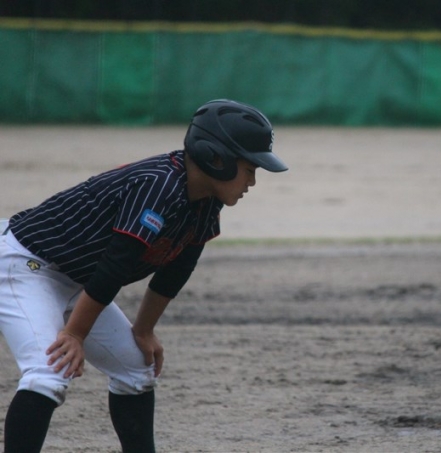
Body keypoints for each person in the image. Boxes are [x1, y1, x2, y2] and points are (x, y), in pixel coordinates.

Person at [0, 99, 288, 453]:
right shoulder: (158, 186)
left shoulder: (205, 200)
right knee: (48, 373)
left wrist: (144, 329)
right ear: (217, 158)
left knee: (137, 369)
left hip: (75, 279)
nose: (252, 181)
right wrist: (74, 334)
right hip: (23, 265)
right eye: (249, 168)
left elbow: (177, 269)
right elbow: (115, 265)